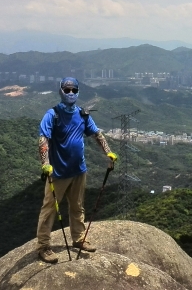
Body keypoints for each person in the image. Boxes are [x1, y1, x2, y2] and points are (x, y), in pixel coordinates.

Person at [36, 77, 117, 263]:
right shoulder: (53, 114)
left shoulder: (82, 114)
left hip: (79, 170)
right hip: (58, 173)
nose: (70, 93)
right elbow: (43, 139)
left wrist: (109, 153)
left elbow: (96, 133)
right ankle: (43, 246)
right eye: (67, 89)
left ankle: (78, 239)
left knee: (78, 206)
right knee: (49, 209)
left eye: (73, 90)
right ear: (61, 91)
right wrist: (45, 164)